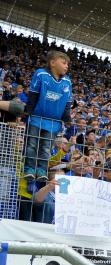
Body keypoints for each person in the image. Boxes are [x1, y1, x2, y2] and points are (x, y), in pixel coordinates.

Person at [23, 50, 73, 182]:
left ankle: (41, 170)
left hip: (53, 122)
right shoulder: (41, 74)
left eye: (67, 63)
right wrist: (27, 112)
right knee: (31, 145)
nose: (66, 66)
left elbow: (67, 102)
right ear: (52, 63)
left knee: (46, 148)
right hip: (35, 118)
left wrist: (67, 117)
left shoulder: (67, 81)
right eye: (63, 63)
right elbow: (33, 94)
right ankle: (29, 169)